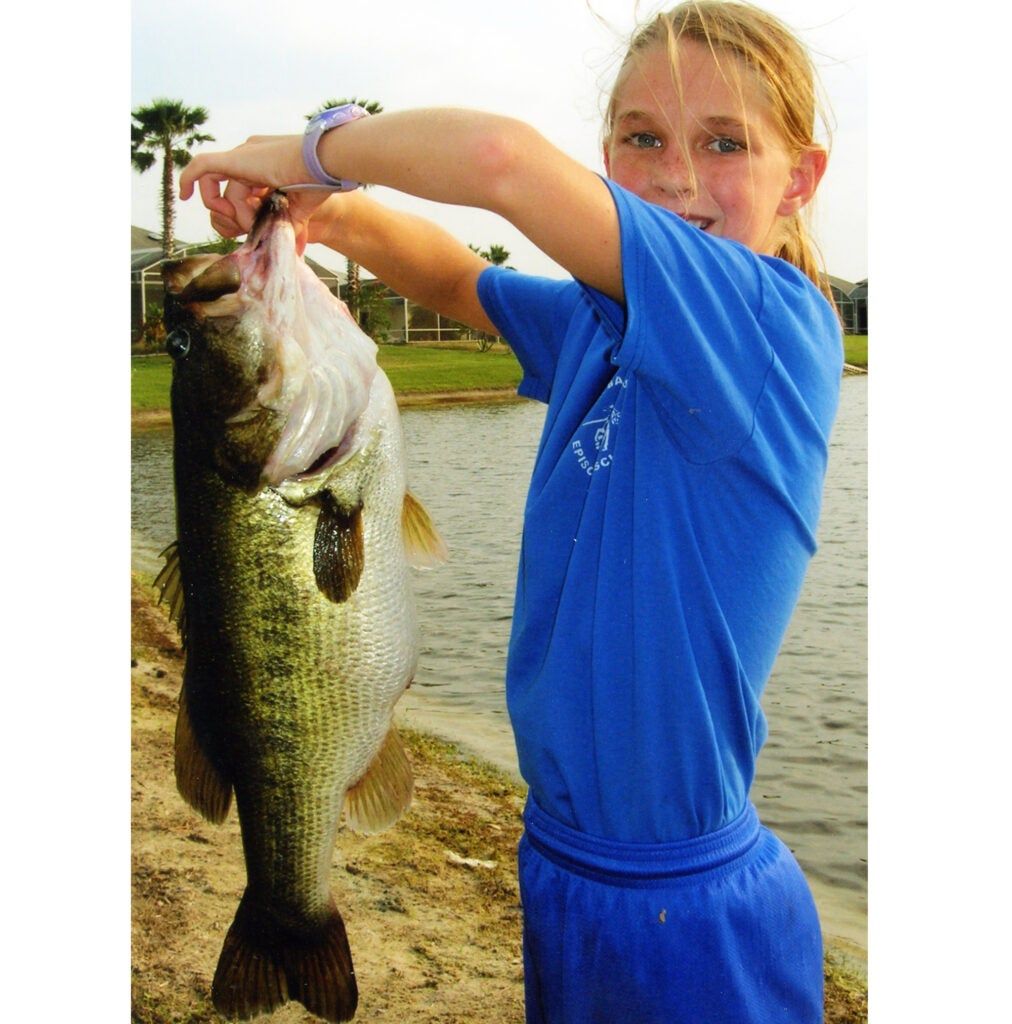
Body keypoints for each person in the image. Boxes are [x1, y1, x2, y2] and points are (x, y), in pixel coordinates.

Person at [180, 3, 842, 1021]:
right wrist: (315, 215)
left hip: (687, 900)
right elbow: (451, 276)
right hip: (560, 860)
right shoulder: (597, 320)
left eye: (724, 143)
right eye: (642, 137)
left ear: (798, 178)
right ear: (606, 153)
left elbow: (496, 158)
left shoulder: (765, 324)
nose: (674, 174)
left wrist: (311, 149)